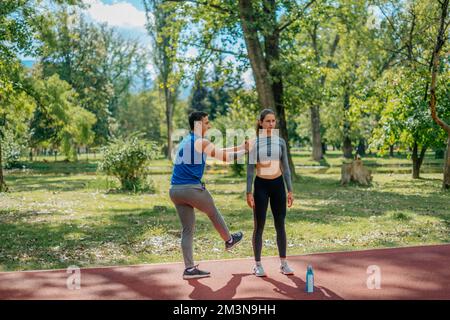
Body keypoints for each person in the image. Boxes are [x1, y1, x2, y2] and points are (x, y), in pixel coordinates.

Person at [169, 111, 248, 279]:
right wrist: (244, 152)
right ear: (198, 125)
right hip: (191, 189)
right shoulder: (201, 142)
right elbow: (226, 157)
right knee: (212, 211)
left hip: (175, 190)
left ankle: (189, 269)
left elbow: (219, 151)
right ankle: (229, 240)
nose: (209, 125)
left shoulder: (188, 140)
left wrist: (241, 147)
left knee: (187, 229)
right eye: (206, 122)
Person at [246, 108, 294, 277]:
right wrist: (248, 192)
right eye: (267, 121)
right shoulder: (254, 143)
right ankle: (258, 264)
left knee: (280, 224)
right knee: (259, 226)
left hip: (278, 185)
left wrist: (290, 190)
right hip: (260, 186)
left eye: (273, 121)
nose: (271, 124)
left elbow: (286, 168)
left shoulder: (280, 142)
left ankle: (283, 263)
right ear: (260, 122)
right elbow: (250, 170)